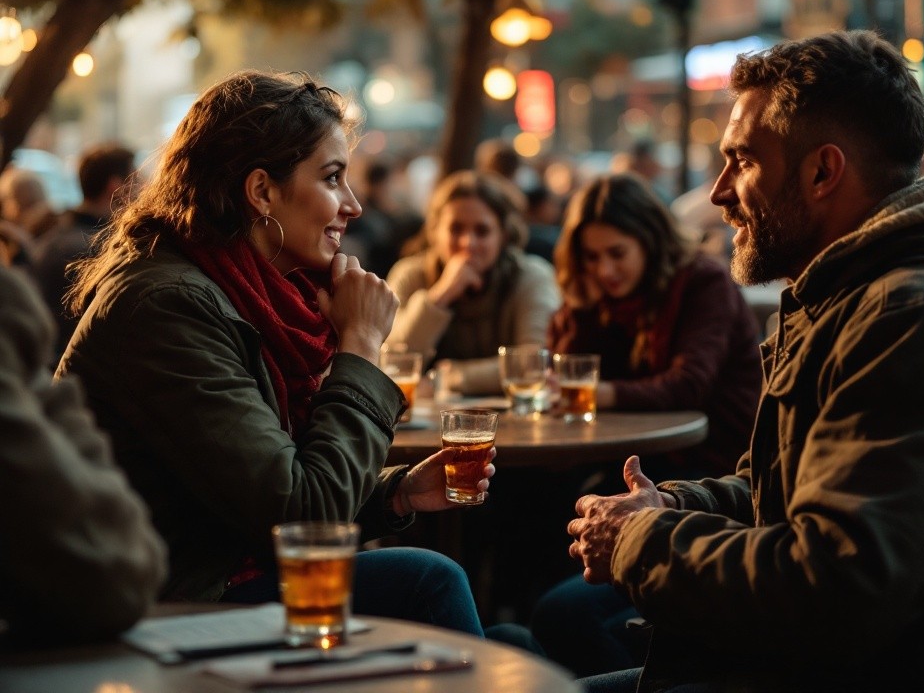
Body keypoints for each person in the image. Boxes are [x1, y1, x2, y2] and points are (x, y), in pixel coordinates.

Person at [567, 30, 924, 692]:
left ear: (822, 172)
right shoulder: (844, 292)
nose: (719, 192)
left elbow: (839, 584)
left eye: (742, 161)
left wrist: (643, 541)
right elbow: (780, 493)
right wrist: (667, 502)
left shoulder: (914, 319)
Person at [57, 70, 492, 635]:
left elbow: (265, 490)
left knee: (511, 641)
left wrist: (399, 493)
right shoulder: (168, 305)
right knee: (428, 582)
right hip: (157, 607)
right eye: (333, 178)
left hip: (212, 579)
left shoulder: (245, 293)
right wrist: (360, 345)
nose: (353, 205)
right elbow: (302, 516)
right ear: (261, 191)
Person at [523, 173, 761, 676]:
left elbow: (686, 385)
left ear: (649, 241)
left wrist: (595, 393)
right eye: (591, 257)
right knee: (527, 515)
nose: (604, 269)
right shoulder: (610, 299)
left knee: (560, 607)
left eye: (616, 252)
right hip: (641, 476)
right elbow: (566, 367)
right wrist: (580, 309)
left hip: (712, 484)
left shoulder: (701, 282)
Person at [1, 263, 167, 642]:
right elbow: (117, 578)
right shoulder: (166, 298)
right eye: (333, 195)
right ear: (261, 199)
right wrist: (338, 353)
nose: (338, 206)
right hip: (195, 588)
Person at [385, 170, 560, 396]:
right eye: (455, 229)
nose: (468, 243)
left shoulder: (531, 276)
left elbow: (534, 364)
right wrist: (440, 296)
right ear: (435, 232)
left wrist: (450, 378)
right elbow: (392, 363)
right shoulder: (410, 275)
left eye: (482, 231)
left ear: (503, 235)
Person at [32, 142, 136, 367]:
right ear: (115, 186)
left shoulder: (53, 237)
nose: (145, 191)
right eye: (138, 181)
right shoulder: (98, 251)